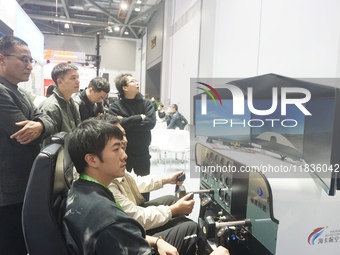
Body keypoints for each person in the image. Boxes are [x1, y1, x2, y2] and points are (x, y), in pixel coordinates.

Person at [62, 119, 204, 255]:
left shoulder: (82, 188)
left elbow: (124, 232)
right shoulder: (107, 217)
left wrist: (156, 241)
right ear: (92, 159)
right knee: (190, 229)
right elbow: (125, 226)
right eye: (116, 149)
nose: (124, 155)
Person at [0, 35, 54, 255]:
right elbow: (21, 131)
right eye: (24, 59)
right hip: (7, 191)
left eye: (31, 60)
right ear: (2, 59)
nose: (30, 65)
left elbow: (47, 118)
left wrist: (40, 125)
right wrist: (42, 125)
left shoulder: (20, 92)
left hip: (22, 186)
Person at [97, 115, 195, 234]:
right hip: (131, 231)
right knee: (191, 228)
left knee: (172, 201)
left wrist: (166, 180)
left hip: (133, 214)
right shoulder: (104, 180)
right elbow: (136, 217)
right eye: (117, 141)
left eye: (123, 134)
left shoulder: (112, 166)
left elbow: (135, 182)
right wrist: (173, 210)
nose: (125, 140)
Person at [108, 73, 156, 200]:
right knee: (122, 185)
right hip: (122, 152)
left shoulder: (147, 104)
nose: (137, 83)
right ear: (124, 87)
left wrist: (125, 122)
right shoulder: (115, 107)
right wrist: (139, 117)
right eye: (133, 81)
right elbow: (115, 126)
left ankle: (146, 211)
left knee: (146, 186)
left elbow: (150, 123)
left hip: (142, 152)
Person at [39, 62, 81, 146]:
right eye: (73, 78)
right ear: (60, 81)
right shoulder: (51, 107)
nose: (77, 81)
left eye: (77, 77)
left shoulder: (74, 104)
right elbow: (47, 146)